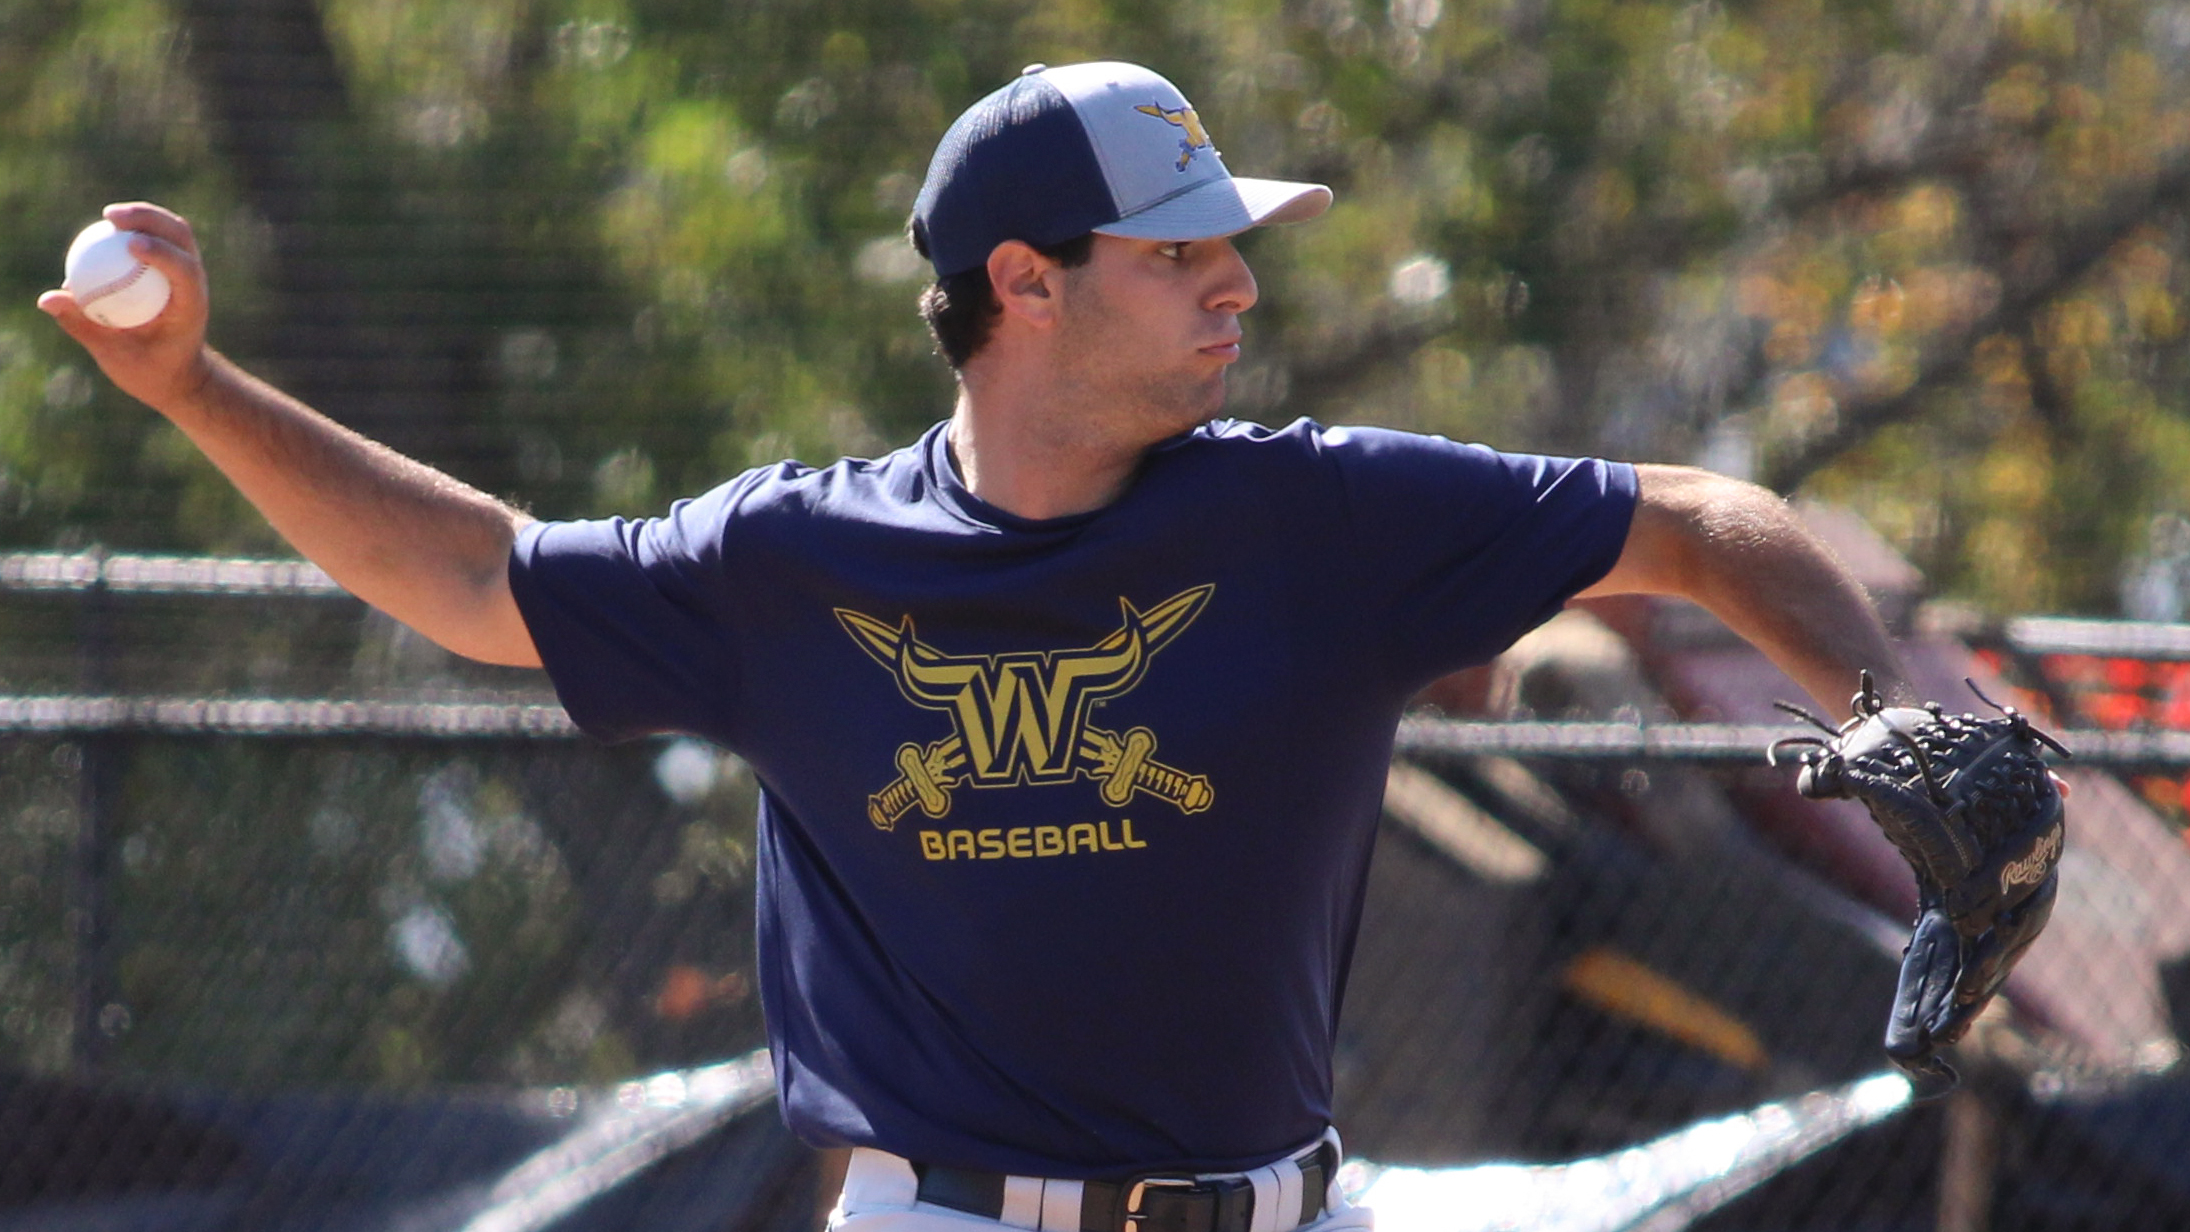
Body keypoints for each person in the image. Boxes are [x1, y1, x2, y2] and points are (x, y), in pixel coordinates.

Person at [42, 60, 1905, 1232]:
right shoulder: (795, 561)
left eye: (1228, 244)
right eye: (1175, 252)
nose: (1237, 281)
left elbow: (1692, 517)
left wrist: (1893, 718)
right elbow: (476, 581)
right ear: (1023, 284)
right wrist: (192, 384)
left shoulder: (1313, 516)